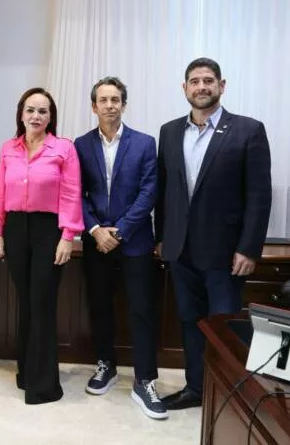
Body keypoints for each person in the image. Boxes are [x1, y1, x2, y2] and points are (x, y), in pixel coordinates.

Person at [156, 58, 272, 410]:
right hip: (181, 249)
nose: (201, 87)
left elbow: (259, 195)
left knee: (223, 327)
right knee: (190, 321)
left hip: (225, 253)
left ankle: (225, 396)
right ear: (184, 88)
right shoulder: (170, 131)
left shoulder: (248, 130)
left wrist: (249, 248)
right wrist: (161, 237)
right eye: (194, 81)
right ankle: (195, 388)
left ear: (222, 85)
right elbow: (164, 190)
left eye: (209, 80)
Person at [74, 77, 166, 419]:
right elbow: (76, 193)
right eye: (103, 100)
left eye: (115, 99)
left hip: (135, 242)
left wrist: (121, 230)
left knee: (141, 310)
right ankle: (106, 365)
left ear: (123, 105)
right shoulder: (81, 145)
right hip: (96, 241)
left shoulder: (144, 143)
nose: (110, 105)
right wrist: (96, 230)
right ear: (94, 106)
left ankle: (145, 381)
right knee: (100, 306)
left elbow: (149, 192)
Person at [0, 87, 83, 405]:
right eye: (30, 110)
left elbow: (71, 193)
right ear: (21, 114)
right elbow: (1, 191)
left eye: (43, 111)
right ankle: (26, 372)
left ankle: (43, 386)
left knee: (42, 302)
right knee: (27, 302)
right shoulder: (8, 148)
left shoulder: (64, 149)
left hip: (48, 231)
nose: (36, 116)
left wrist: (67, 236)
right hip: (15, 228)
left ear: (50, 116)